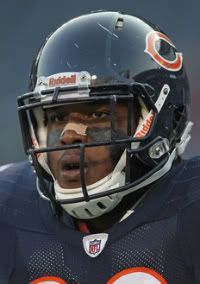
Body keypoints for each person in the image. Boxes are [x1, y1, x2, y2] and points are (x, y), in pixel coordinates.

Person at [0, 10, 199, 284]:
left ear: (166, 119)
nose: (69, 136)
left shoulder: (190, 205)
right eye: (57, 116)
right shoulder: (9, 205)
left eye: (97, 114)